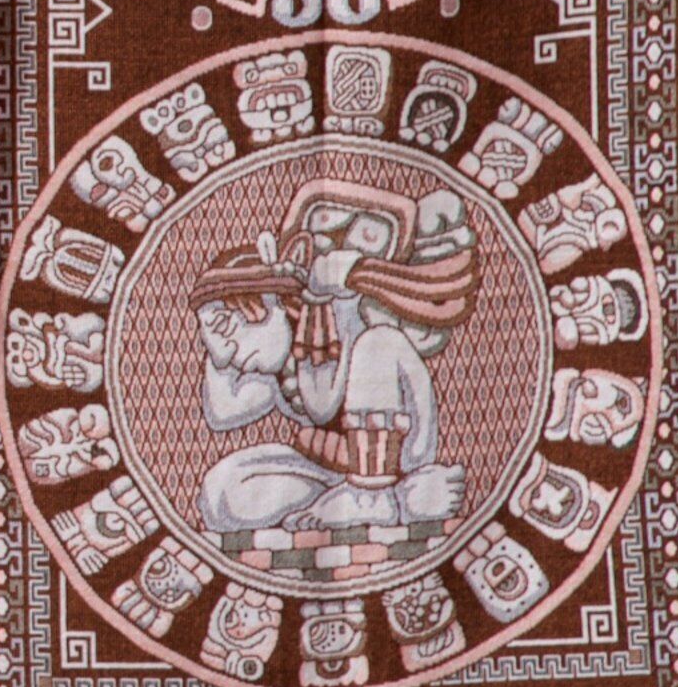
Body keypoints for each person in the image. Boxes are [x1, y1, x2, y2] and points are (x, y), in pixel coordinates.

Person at [192, 179, 477, 535]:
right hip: (329, 467)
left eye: (228, 329)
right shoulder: (273, 364)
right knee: (220, 495)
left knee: (378, 345)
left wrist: (338, 295)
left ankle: (377, 499)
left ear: (271, 303)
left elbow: (324, 404)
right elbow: (222, 414)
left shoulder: (334, 312)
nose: (226, 357)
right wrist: (214, 307)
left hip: (402, 452)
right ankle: (383, 500)